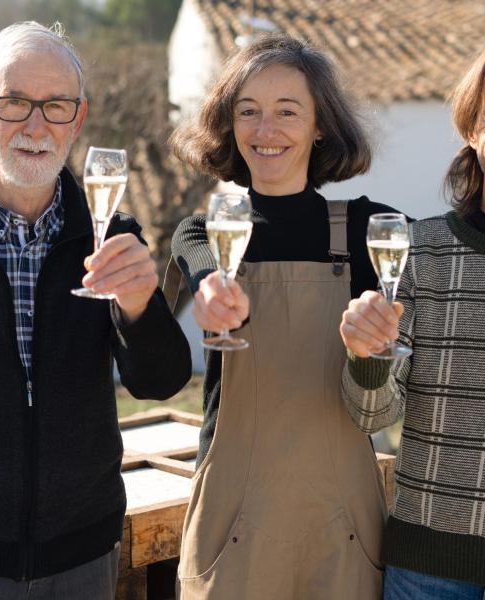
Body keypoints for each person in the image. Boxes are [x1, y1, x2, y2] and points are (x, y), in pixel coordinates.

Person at [0, 21, 191, 599]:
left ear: (78, 119)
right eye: (15, 103)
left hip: (85, 555)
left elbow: (161, 381)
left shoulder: (113, 237)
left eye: (56, 105)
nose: (36, 126)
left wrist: (139, 308)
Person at [169, 33, 395, 600]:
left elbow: (381, 409)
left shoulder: (372, 232)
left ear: (320, 125)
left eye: (287, 111)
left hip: (342, 530)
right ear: (229, 122)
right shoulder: (206, 234)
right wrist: (214, 292)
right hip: (233, 525)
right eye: (248, 111)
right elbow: (205, 271)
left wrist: (369, 357)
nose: (265, 130)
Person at [340, 30, 485, 599]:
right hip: (424, 575)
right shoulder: (419, 252)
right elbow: (371, 415)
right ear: (469, 127)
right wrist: (366, 356)